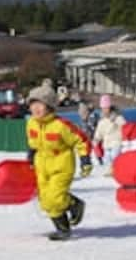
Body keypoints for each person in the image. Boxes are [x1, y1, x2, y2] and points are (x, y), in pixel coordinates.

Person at [26, 81, 92, 241]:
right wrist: (30, 155)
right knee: (45, 200)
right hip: (41, 165)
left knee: (55, 198)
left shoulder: (61, 125)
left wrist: (85, 159)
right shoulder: (31, 123)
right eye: (32, 103)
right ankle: (63, 228)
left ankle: (73, 205)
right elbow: (32, 142)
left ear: (49, 106)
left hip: (61, 165)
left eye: (40, 104)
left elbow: (81, 140)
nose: (35, 108)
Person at [93, 95, 125, 175]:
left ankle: (117, 170)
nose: (105, 110)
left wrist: (116, 121)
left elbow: (124, 125)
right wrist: (96, 139)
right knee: (107, 158)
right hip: (106, 143)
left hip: (116, 141)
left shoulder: (117, 117)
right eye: (103, 108)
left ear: (110, 107)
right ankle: (111, 170)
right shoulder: (102, 120)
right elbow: (99, 131)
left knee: (115, 156)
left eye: (106, 108)